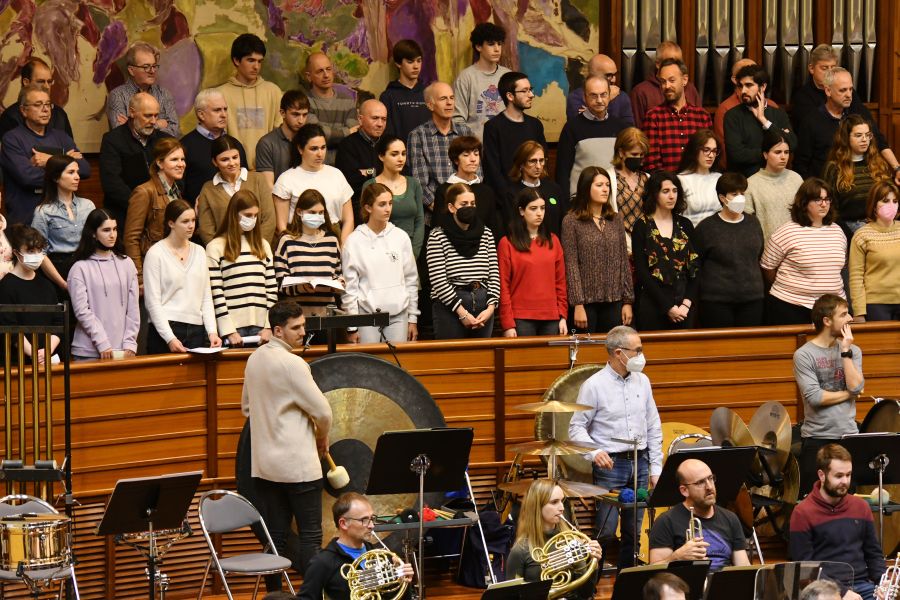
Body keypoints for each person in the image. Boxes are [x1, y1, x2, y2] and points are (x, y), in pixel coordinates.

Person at [241, 300, 332, 582]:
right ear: (277, 331)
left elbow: (246, 408)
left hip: (266, 467)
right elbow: (323, 412)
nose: (302, 332)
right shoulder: (293, 364)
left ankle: (275, 594)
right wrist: (321, 438)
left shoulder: (254, 358)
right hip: (298, 467)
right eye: (296, 328)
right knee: (310, 537)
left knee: (275, 537)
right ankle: (311, 594)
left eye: (303, 326)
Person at [568, 325, 663, 570]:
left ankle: (626, 582)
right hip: (612, 464)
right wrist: (594, 451)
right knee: (606, 529)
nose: (642, 356)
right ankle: (592, 583)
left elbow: (653, 425)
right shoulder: (594, 385)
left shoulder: (643, 381)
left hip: (640, 461)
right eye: (638, 350)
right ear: (619, 353)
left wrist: (655, 468)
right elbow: (576, 428)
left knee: (633, 531)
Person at [789, 444, 885, 600]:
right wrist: (842, 592)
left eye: (848, 475)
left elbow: (873, 554)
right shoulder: (802, 512)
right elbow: (805, 568)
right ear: (822, 475)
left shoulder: (861, 506)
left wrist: (882, 582)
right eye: (839, 476)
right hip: (823, 589)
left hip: (862, 585)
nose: (845, 481)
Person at [793, 295, 864, 497]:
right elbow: (816, 398)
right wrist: (849, 394)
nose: (850, 318)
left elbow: (856, 386)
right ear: (827, 320)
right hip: (817, 439)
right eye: (843, 314)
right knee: (812, 502)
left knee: (849, 504)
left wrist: (845, 351)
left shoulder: (853, 350)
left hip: (848, 436)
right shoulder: (804, 355)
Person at [296, 492, 413, 600]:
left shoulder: (382, 557)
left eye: (372, 518)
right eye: (364, 520)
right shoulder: (322, 562)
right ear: (343, 523)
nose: (372, 525)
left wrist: (403, 580)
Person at [760, 178, 846, 325]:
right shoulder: (787, 231)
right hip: (791, 306)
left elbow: (840, 266)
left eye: (827, 199)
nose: (824, 204)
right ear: (804, 203)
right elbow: (768, 266)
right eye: (818, 199)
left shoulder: (837, 231)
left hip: (832, 308)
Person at [0, 85, 90, 225]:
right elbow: (27, 177)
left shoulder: (61, 136)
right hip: (27, 217)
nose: (45, 109)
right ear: (23, 110)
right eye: (38, 105)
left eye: (48, 104)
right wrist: (67, 161)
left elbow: (84, 169)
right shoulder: (12, 139)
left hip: (63, 217)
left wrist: (49, 160)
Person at [342, 183, 419, 343]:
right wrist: (352, 326)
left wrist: (413, 318)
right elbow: (350, 288)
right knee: (368, 366)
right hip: (366, 317)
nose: (388, 209)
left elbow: (411, 280)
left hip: (399, 315)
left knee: (397, 366)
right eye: (382, 204)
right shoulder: (354, 241)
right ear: (368, 208)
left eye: (390, 203)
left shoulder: (400, 237)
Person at [795, 67, 900, 181]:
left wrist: (897, 168)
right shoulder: (811, 121)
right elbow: (800, 165)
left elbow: (879, 141)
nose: (849, 95)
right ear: (828, 91)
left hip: (858, 180)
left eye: (850, 89)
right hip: (826, 187)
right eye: (842, 90)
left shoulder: (859, 113)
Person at [561, 167, 633, 333]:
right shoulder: (571, 221)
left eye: (607, 184)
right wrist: (577, 304)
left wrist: (628, 301)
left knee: (613, 351)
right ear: (586, 188)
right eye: (599, 185)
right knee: (587, 354)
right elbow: (571, 264)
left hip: (614, 300)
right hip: (586, 304)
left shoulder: (616, 219)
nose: (605, 189)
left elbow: (623, 260)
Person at [142, 200, 220, 354]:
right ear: (171, 223)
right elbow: (152, 302)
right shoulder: (155, 253)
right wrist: (169, 338)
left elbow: (205, 296)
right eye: (185, 221)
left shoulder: (200, 252)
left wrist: (212, 331)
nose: (191, 225)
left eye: (193, 220)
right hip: (165, 329)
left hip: (196, 329)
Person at [647, 458, 750, 571]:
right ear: (684, 490)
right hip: (686, 586)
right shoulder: (666, 521)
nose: (709, 487)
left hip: (723, 584)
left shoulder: (730, 518)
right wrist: (676, 557)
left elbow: (743, 567)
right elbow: (653, 572)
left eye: (710, 479)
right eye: (700, 482)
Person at [425, 183, 499, 339]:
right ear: (452, 208)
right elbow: (438, 281)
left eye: (472, 204)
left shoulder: (486, 233)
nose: (469, 208)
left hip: (483, 306)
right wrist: (462, 313)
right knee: (452, 359)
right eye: (464, 204)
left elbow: (494, 274)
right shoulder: (437, 236)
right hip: (450, 307)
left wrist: (490, 308)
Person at [506, 479, 601, 599]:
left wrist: (594, 563)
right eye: (554, 502)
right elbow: (511, 596)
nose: (561, 507)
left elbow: (586, 594)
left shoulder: (572, 541)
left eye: (562, 501)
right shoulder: (520, 550)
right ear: (537, 506)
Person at [206, 191, 277, 347]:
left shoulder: (263, 245)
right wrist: (228, 330)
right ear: (234, 214)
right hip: (234, 328)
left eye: (255, 215)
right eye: (247, 215)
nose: (252, 220)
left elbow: (271, 289)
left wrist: (268, 325)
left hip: (261, 328)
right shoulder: (215, 247)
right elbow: (216, 292)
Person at [67, 208, 140, 360]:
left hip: (123, 351)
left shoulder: (127, 263)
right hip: (88, 351)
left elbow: (133, 308)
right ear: (93, 233)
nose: (112, 234)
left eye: (114, 229)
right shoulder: (80, 268)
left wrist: (130, 342)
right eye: (106, 230)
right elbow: (82, 311)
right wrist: (101, 341)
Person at [694, 172, 766, 328]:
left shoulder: (753, 223)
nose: (740, 197)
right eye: (734, 194)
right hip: (716, 301)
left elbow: (759, 255)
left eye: (742, 193)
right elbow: (696, 264)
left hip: (752, 298)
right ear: (722, 198)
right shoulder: (706, 227)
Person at [632, 172, 700, 330]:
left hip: (684, 306)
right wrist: (668, 307)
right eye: (666, 191)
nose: (672, 196)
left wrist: (686, 304)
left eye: (675, 191)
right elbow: (642, 272)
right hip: (653, 305)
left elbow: (695, 269)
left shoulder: (685, 224)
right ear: (654, 194)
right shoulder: (642, 226)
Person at [273, 190, 343, 336]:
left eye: (321, 212)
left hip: (327, 319)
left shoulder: (331, 240)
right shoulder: (287, 241)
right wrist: (302, 287)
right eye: (312, 212)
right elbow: (279, 284)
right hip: (296, 323)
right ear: (299, 212)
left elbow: (338, 274)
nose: (317, 216)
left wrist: (339, 284)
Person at [498, 188, 566, 337]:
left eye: (542, 208)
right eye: (533, 208)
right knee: (523, 360)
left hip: (551, 317)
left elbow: (560, 282)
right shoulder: (507, 243)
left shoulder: (553, 240)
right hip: (521, 318)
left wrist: (562, 315)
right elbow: (503, 286)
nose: (539, 213)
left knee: (550, 360)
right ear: (522, 211)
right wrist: (507, 323)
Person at [98, 92, 173, 225]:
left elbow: (177, 175)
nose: (154, 121)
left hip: (162, 214)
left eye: (156, 115)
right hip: (126, 215)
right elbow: (112, 183)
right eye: (148, 115)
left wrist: (161, 204)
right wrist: (141, 206)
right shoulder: (113, 140)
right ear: (132, 112)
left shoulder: (165, 140)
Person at [408, 82, 476, 223]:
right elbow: (419, 184)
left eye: (451, 98)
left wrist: (465, 209)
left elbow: (477, 173)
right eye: (443, 99)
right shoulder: (418, 135)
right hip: (435, 215)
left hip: (468, 214)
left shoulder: (466, 132)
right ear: (430, 105)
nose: (449, 103)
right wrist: (444, 210)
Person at [272, 124, 354, 241]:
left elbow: (349, 219)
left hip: (333, 235)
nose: (320, 154)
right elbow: (282, 226)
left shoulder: (337, 175)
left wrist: (343, 245)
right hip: (297, 237)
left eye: (323, 147)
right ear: (300, 149)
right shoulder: (286, 179)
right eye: (314, 148)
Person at [123, 137, 186, 287]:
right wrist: (138, 277)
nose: (181, 164)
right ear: (159, 163)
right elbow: (131, 237)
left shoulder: (177, 191)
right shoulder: (144, 191)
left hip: (176, 265)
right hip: (153, 267)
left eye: (182, 159)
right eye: (174, 159)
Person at [217, 33, 282, 169]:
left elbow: (280, 133)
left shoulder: (273, 91)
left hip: (268, 169)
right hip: (233, 169)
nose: (256, 67)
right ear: (236, 60)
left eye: (259, 61)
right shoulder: (220, 94)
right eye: (251, 60)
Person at [822, 114, 892, 241]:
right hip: (849, 228)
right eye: (858, 135)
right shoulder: (834, 168)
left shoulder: (878, 163)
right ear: (846, 138)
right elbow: (830, 208)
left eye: (867, 135)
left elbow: (890, 199)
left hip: (881, 226)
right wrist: (851, 236)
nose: (865, 139)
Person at [555, 75, 627, 197]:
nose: (599, 100)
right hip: (581, 202)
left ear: (609, 95)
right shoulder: (572, 127)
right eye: (593, 95)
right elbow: (562, 171)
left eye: (603, 94)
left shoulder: (620, 127)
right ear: (584, 97)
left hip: (614, 199)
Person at [31, 154, 96, 288]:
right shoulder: (43, 211)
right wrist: (63, 284)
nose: (77, 177)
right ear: (56, 177)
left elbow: (96, 241)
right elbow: (39, 253)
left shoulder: (88, 205)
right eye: (71, 172)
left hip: (87, 266)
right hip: (59, 270)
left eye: (77, 172)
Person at [0, 224, 62, 364]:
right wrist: (34, 354)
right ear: (16, 253)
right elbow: (11, 329)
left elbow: (58, 322)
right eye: (30, 251)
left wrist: (47, 350)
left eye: (39, 250)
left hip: (48, 358)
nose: (36, 255)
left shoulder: (47, 286)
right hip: (18, 363)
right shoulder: (6, 287)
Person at [196, 135, 274, 245]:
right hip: (225, 255)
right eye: (225, 160)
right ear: (214, 162)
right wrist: (222, 254)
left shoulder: (258, 179)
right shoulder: (208, 189)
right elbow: (206, 229)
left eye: (235, 157)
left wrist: (258, 248)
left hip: (258, 252)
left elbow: (269, 220)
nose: (232, 163)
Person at [482, 71, 546, 201]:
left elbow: (543, 163)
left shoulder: (535, 125)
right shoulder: (493, 127)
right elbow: (493, 170)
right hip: (506, 199)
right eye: (525, 91)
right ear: (510, 96)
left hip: (534, 196)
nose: (531, 95)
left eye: (531, 90)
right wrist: (510, 198)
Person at [723, 64, 796, 178]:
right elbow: (737, 155)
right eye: (740, 86)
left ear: (762, 87)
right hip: (744, 181)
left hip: (776, 179)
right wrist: (772, 152)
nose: (743, 91)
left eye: (748, 85)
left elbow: (792, 144)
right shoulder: (732, 116)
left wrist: (764, 120)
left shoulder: (778, 113)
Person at [643, 59, 713, 174]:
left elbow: (710, 155)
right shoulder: (653, 117)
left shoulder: (702, 117)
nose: (666, 86)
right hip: (667, 187)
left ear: (684, 80)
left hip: (698, 184)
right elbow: (651, 163)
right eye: (663, 82)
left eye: (671, 80)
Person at [180, 89, 248, 204]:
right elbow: (178, 188)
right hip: (198, 216)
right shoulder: (184, 146)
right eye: (217, 110)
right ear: (201, 114)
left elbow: (246, 180)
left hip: (236, 214)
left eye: (225, 109)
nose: (223, 115)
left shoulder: (235, 144)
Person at [362, 135, 425, 257]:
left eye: (403, 153)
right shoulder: (370, 185)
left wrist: (413, 253)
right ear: (381, 156)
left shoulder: (413, 183)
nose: (401, 159)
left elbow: (419, 220)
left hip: (410, 250)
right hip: (381, 251)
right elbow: (367, 223)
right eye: (394, 154)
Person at [849, 181, 900, 322]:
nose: (891, 205)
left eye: (895, 201)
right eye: (885, 201)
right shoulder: (861, 235)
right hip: (876, 304)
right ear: (874, 205)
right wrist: (859, 312)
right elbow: (856, 276)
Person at [107, 42, 180, 137]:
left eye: (154, 66)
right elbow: (122, 135)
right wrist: (158, 124)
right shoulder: (117, 96)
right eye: (146, 67)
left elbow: (175, 132)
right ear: (131, 70)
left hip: (160, 151)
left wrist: (134, 125)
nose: (152, 71)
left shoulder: (164, 94)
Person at [435, 135, 502, 237]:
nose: (473, 159)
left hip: (482, 247)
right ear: (456, 160)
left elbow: (493, 228)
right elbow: (439, 226)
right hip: (451, 247)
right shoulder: (444, 190)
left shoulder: (487, 191)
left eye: (476, 154)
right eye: (466, 155)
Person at [452, 22, 510, 140]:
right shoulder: (466, 77)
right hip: (476, 148)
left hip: (505, 144)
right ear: (478, 47)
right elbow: (457, 118)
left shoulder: (508, 75)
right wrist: (471, 145)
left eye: (499, 44)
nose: (497, 49)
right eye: (491, 44)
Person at [745, 128, 804, 240]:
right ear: (765, 154)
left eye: (786, 152)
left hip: (798, 246)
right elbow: (747, 226)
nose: (783, 157)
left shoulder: (796, 179)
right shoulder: (751, 184)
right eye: (777, 152)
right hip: (767, 250)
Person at [631, 41, 703, 129]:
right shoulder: (641, 92)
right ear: (658, 64)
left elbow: (700, 122)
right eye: (670, 62)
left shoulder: (690, 88)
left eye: (678, 62)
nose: (675, 66)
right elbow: (638, 132)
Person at [335, 99, 387, 220]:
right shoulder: (347, 145)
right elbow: (351, 182)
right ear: (360, 119)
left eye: (383, 119)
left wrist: (368, 172)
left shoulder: (389, 142)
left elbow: (401, 174)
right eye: (375, 118)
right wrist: (379, 173)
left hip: (389, 204)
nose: (380, 124)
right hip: (359, 207)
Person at [304, 52, 358, 165]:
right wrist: (347, 131)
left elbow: (354, 136)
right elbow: (318, 135)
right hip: (316, 167)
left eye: (328, 69)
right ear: (309, 76)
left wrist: (334, 134)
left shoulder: (347, 100)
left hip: (344, 166)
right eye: (320, 71)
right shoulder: (305, 102)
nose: (326, 75)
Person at [0, 57, 73, 140]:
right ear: (26, 82)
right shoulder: (10, 117)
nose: (47, 87)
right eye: (41, 81)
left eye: (49, 82)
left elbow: (70, 151)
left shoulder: (60, 115)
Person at [505, 141, 566, 235]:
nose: (538, 166)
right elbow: (512, 227)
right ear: (521, 164)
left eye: (541, 160)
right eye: (532, 161)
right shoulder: (512, 193)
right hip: (525, 246)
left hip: (553, 245)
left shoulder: (554, 189)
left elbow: (563, 223)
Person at [713, 58, 763, 168]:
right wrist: (766, 153)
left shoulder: (772, 106)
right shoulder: (726, 109)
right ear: (735, 80)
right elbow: (725, 152)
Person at [256, 90, 311, 189]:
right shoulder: (267, 143)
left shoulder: (310, 140)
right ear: (282, 113)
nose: (301, 121)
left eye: (304, 115)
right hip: (279, 199)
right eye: (295, 114)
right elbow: (268, 186)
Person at [380, 39, 431, 143]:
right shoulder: (388, 96)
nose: (416, 66)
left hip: (428, 153)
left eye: (419, 60)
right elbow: (387, 133)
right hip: (400, 155)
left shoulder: (429, 93)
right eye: (410, 62)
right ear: (398, 63)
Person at [566, 53, 634, 125]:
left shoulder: (622, 97)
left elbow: (628, 129)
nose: (614, 80)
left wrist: (590, 111)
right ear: (592, 74)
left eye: (615, 74)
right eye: (609, 75)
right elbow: (579, 126)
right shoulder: (574, 97)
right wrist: (608, 98)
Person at [676, 129, 722, 226]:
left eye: (714, 151)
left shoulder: (719, 178)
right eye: (706, 150)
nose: (711, 155)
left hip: (719, 235)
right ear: (694, 150)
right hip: (692, 235)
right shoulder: (681, 179)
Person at [612, 127, 651, 240]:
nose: (638, 158)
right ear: (621, 152)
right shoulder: (609, 179)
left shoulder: (647, 178)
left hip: (645, 240)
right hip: (619, 241)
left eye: (641, 155)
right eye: (634, 154)